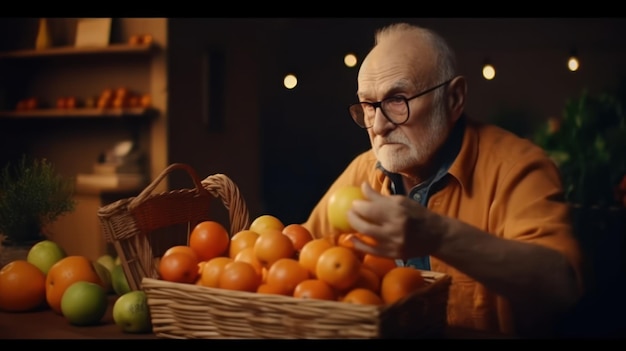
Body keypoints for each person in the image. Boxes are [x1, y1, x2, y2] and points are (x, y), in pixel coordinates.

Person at [302, 22, 584, 338]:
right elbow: (298, 264)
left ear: (453, 99)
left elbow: (562, 288)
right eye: (369, 105)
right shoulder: (362, 170)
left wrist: (439, 235)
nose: (378, 126)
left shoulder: (516, 167)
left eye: (397, 99)